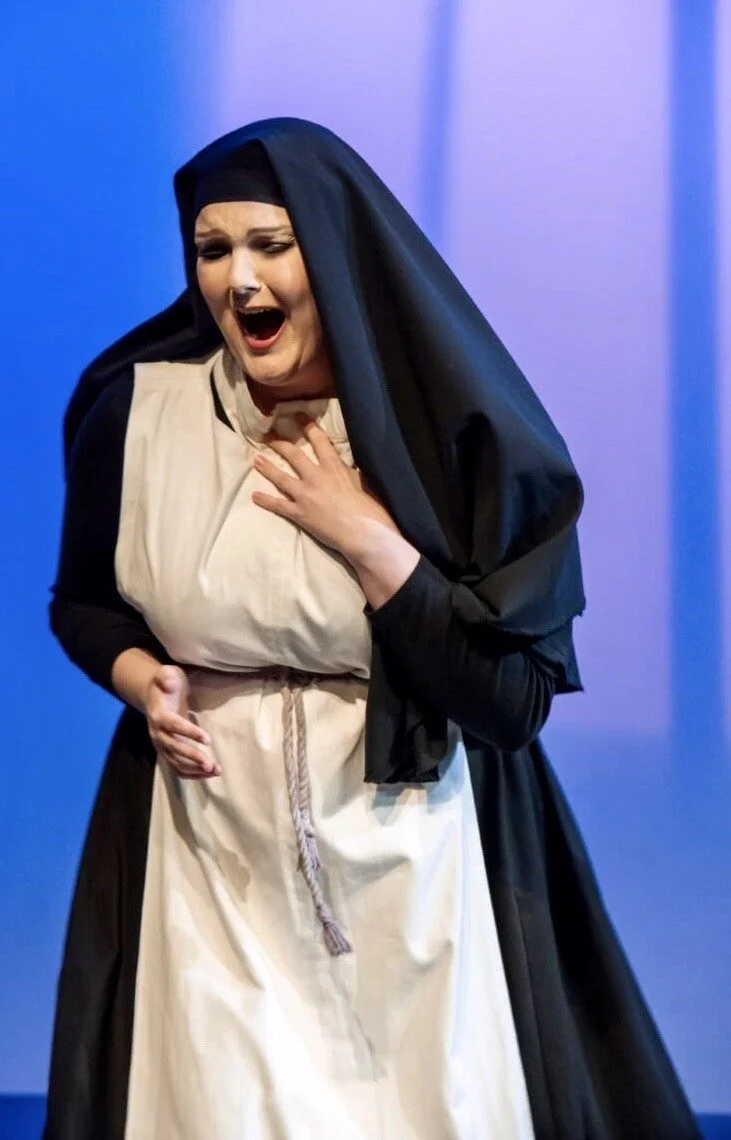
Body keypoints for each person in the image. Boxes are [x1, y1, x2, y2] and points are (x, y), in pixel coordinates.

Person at [44, 118, 700, 1140]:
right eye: (212, 251)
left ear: (337, 251)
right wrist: (139, 676)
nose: (239, 282)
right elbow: (82, 601)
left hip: (416, 856)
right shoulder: (137, 414)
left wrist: (373, 547)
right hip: (210, 859)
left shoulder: (449, 438)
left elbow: (509, 702)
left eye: (272, 244)